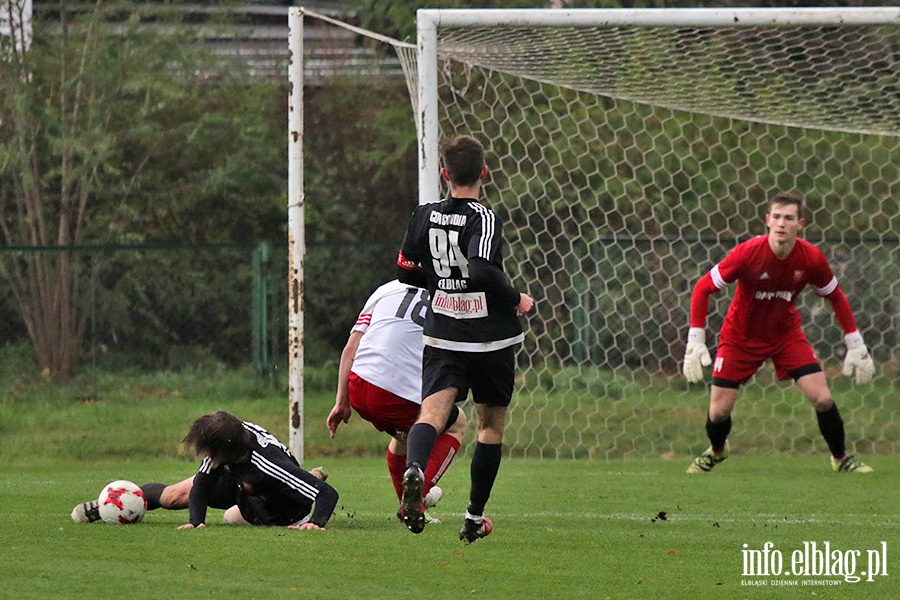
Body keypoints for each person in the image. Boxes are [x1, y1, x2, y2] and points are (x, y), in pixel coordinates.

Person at [395, 134, 534, 542]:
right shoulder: (483, 217)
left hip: (442, 335)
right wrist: (517, 299)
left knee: (432, 413)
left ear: (445, 174)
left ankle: (416, 469)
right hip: (490, 339)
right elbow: (481, 272)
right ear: (484, 173)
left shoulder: (423, 214)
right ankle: (473, 518)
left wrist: (439, 282)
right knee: (489, 427)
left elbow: (405, 269)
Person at [682, 191, 875, 474]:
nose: (782, 223)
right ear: (767, 220)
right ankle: (717, 451)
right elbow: (702, 288)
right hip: (740, 338)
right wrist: (695, 339)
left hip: (786, 337)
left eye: (789, 218)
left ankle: (841, 458)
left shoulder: (810, 258)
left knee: (822, 398)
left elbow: (835, 295)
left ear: (801, 223)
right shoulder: (748, 253)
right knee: (718, 412)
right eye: (777, 217)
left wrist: (855, 342)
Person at [326, 279, 467, 518]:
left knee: (407, 436)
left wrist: (342, 401)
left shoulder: (386, 289)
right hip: (396, 395)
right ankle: (417, 497)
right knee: (457, 423)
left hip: (359, 385)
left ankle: (409, 504)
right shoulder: (450, 297)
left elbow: (351, 348)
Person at [71, 411, 338, 530]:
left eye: (208, 451)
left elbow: (328, 494)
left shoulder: (269, 464)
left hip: (272, 503)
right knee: (175, 495)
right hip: (239, 479)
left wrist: (315, 523)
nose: (204, 455)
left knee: (231, 519)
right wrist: (196, 521)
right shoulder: (228, 442)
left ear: (226, 450)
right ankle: (112, 506)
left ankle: (306, 481)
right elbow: (202, 483)